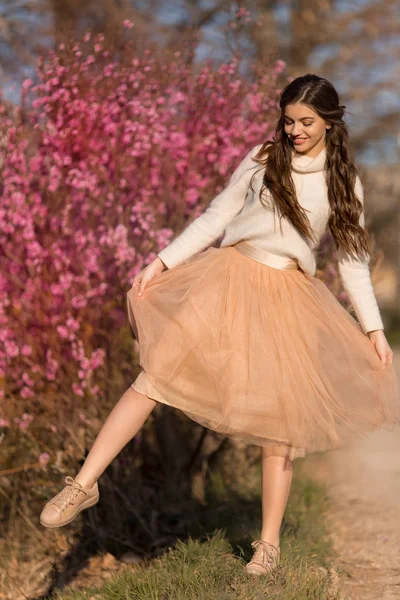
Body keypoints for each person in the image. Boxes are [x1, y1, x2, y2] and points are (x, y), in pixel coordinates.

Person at [40, 73, 400, 577]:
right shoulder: (262, 158)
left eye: (306, 122)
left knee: (281, 425)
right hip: (228, 281)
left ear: (329, 123)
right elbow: (215, 217)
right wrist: (161, 261)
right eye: (288, 120)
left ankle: (268, 545)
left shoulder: (344, 182)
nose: (294, 130)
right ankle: (84, 483)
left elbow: (353, 262)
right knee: (156, 378)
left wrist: (374, 330)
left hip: (289, 298)